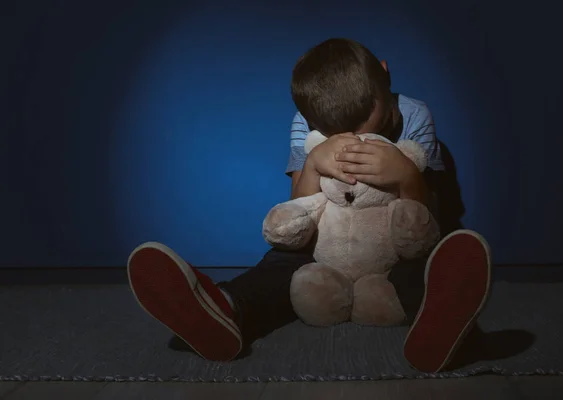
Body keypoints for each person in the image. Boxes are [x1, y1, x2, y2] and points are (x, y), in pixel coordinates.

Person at [127, 38, 491, 373]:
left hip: (391, 255)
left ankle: (446, 328)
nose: (351, 137)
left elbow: (432, 217)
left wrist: (408, 177)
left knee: (418, 268)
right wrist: (315, 161)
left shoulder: (414, 114)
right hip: (325, 256)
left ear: (384, 74)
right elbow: (298, 210)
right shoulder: (306, 118)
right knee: (281, 262)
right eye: (333, 131)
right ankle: (224, 309)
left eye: (367, 119)